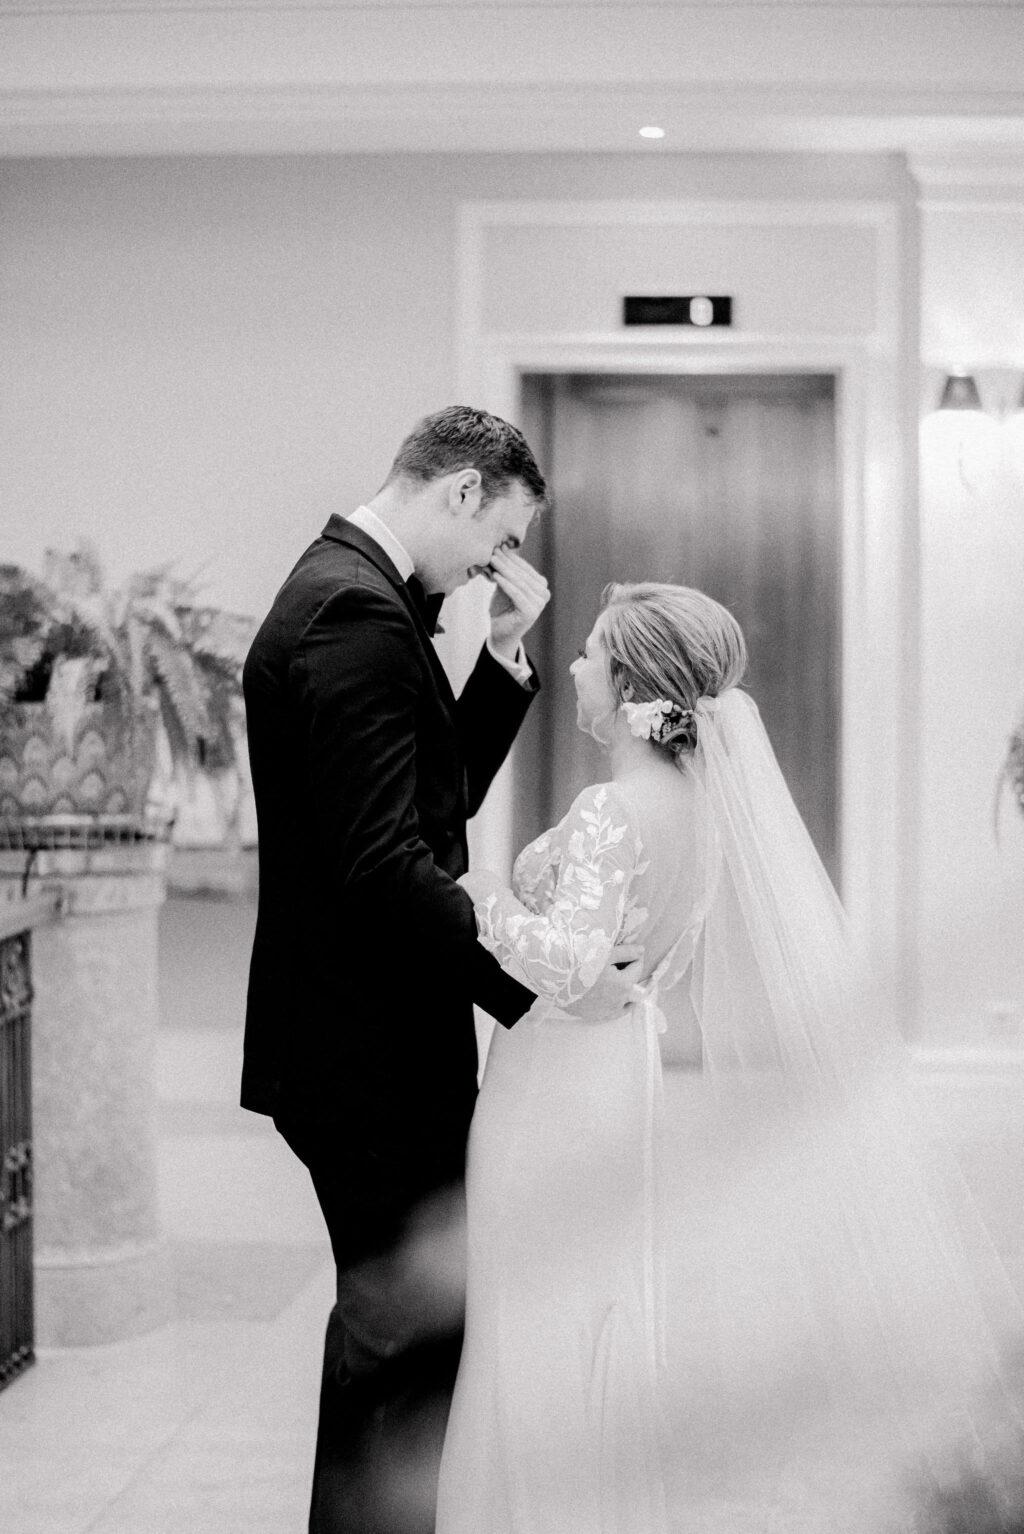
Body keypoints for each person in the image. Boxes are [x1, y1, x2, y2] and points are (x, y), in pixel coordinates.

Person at [437, 581, 1024, 1534]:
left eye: (588, 653)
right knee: (590, 1304)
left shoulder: (610, 809)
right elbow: (633, 968)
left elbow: (567, 964)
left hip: (553, 1086)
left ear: (628, 682)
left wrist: (486, 888)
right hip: (618, 1070)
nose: (576, 667)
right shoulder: (699, 811)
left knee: (525, 1310)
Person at [240, 407, 642, 1534]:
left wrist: (505, 654)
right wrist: (539, 985)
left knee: (402, 1338)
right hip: (365, 1047)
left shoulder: (352, 594)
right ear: (462, 492)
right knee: (400, 1343)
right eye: (497, 540)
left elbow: (424, 799)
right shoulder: (355, 618)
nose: (493, 565)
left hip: (354, 1033)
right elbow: (384, 867)